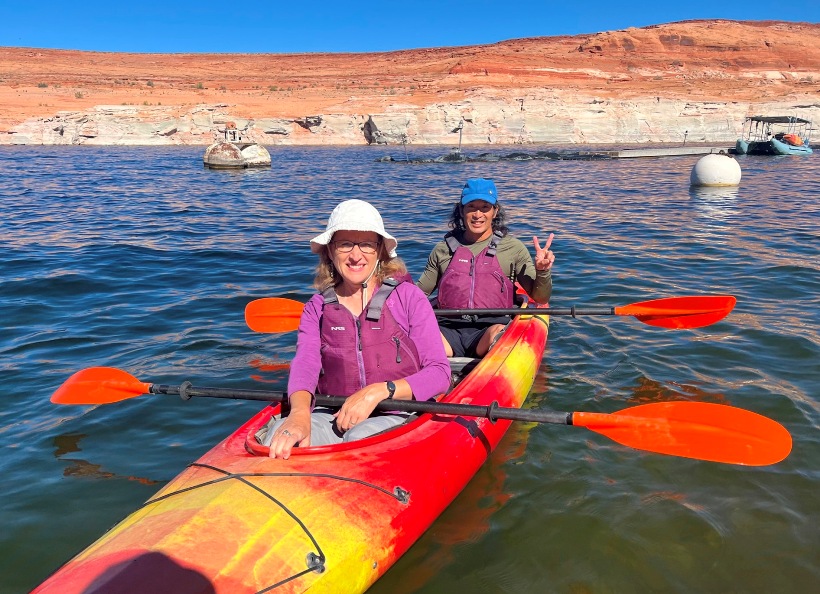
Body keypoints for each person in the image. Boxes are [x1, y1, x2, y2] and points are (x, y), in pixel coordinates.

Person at [263, 199, 451, 459]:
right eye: (345, 244)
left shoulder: (409, 298)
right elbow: (305, 363)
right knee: (278, 440)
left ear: (380, 251)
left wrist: (380, 391)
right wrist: (298, 415)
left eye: (366, 244)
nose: (355, 255)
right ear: (330, 250)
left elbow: (440, 373)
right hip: (331, 413)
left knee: (359, 436)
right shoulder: (316, 308)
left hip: (399, 414)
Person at [416, 178, 555, 358]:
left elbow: (540, 297)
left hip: (489, 331)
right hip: (446, 332)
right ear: (461, 210)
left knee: (499, 334)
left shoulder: (513, 248)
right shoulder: (442, 250)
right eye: (471, 207)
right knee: (414, 344)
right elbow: (419, 293)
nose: (478, 214)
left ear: (495, 211)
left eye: (484, 207)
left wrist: (542, 271)